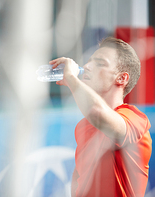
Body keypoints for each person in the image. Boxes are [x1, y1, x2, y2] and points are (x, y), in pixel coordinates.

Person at [49, 37, 152, 197]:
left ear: (121, 78)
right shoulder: (83, 126)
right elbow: (79, 179)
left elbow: (97, 112)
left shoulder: (135, 118)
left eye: (100, 63)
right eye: (89, 61)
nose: (87, 66)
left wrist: (71, 78)